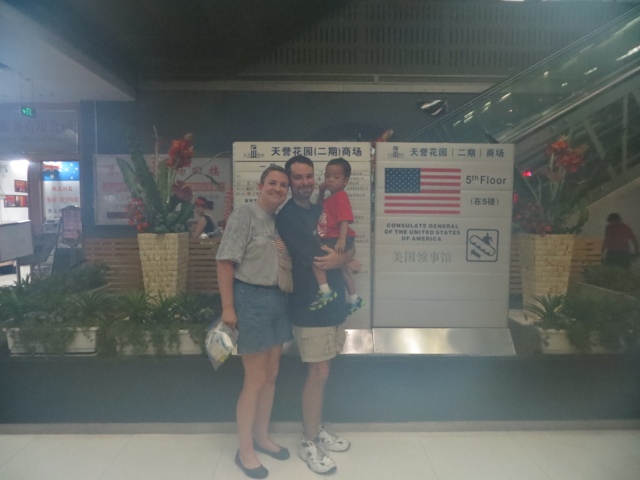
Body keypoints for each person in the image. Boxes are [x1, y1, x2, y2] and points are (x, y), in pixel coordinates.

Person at [276, 155, 353, 475]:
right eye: (298, 177)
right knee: (318, 371)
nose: (305, 182)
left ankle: (315, 427)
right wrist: (342, 259)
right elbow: (318, 257)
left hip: (332, 302)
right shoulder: (288, 217)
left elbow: (348, 246)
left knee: (324, 370)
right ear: (289, 182)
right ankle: (309, 441)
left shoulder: (324, 206)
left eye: (309, 176)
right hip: (309, 305)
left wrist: (344, 257)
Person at [215, 166, 292, 479]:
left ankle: (261, 437)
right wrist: (228, 307)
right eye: (272, 183)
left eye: (283, 185)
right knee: (255, 379)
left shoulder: (280, 220)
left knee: (271, 374)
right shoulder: (245, 215)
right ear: (260, 186)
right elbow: (224, 261)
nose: (278, 189)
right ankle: (244, 449)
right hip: (251, 298)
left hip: (279, 299)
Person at [310, 157, 364, 314]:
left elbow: (344, 219)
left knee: (316, 260)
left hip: (338, 237)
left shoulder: (341, 196)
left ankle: (325, 291)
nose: (330, 180)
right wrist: (321, 191)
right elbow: (318, 207)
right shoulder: (330, 198)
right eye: (327, 176)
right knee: (342, 270)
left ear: (345, 181)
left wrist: (341, 239)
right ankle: (354, 299)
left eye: (336, 177)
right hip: (333, 237)